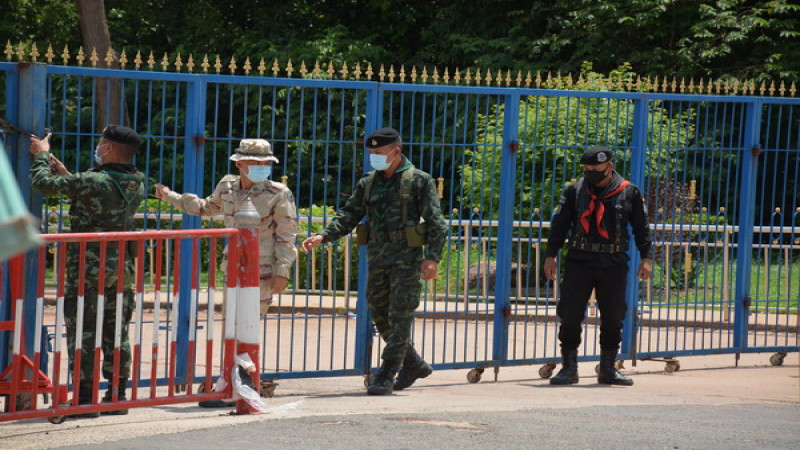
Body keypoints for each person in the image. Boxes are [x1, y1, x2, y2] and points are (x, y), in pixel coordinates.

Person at [301, 127, 448, 395]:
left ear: (396, 151)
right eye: (371, 153)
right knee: (380, 314)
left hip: (406, 257)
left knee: (400, 313)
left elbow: (437, 223)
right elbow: (349, 215)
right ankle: (413, 363)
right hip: (378, 256)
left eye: (379, 153)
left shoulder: (419, 181)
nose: (374, 158)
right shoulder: (368, 182)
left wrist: (432, 258)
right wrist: (323, 236)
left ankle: (387, 372)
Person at [154, 138, 298, 406]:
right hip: (234, 269)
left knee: (247, 328)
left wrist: (283, 270)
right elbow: (205, 208)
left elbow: (287, 235)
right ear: (240, 164)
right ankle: (233, 382)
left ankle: (237, 386)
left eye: (266, 163)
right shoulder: (228, 186)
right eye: (255, 163)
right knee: (232, 327)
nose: (262, 168)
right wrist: (170, 196)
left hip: (263, 273)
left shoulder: (279, 193)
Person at [29, 125, 145, 417]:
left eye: (101, 143)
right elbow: (99, 204)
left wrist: (42, 156)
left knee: (82, 331)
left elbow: (42, 184)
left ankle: (83, 400)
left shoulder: (93, 180)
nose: (98, 146)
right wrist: (68, 176)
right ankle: (117, 396)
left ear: (108, 148)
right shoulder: (136, 182)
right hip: (121, 268)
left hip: (89, 269)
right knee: (116, 331)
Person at [544, 146, 652, 386]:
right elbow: (560, 224)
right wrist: (551, 254)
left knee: (613, 317)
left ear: (609, 166)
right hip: (579, 260)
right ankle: (569, 368)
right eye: (587, 169)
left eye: (596, 169)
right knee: (570, 314)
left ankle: (607, 368)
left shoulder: (629, 192)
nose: (591, 173)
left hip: (613, 262)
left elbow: (642, 228)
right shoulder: (575, 191)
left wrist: (646, 258)